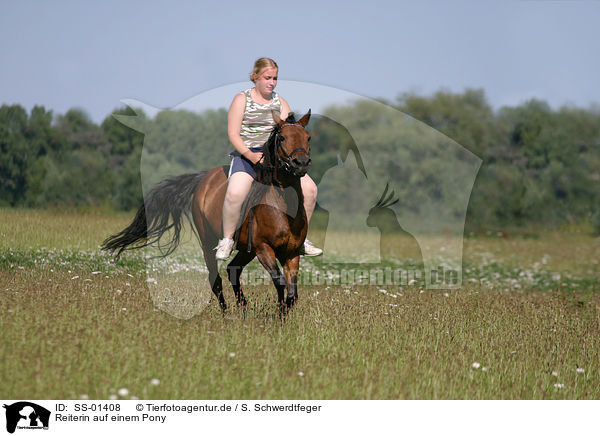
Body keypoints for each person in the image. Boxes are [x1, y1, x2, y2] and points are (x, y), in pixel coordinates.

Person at [215, 57, 323, 260]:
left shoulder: (280, 102)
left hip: (275, 159)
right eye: (267, 78)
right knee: (235, 193)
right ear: (255, 77)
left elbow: (288, 133)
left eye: (274, 78)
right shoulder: (241, 99)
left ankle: (302, 239)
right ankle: (227, 240)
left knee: (311, 189)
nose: (271, 82)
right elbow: (233, 134)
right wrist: (250, 155)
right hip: (246, 155)